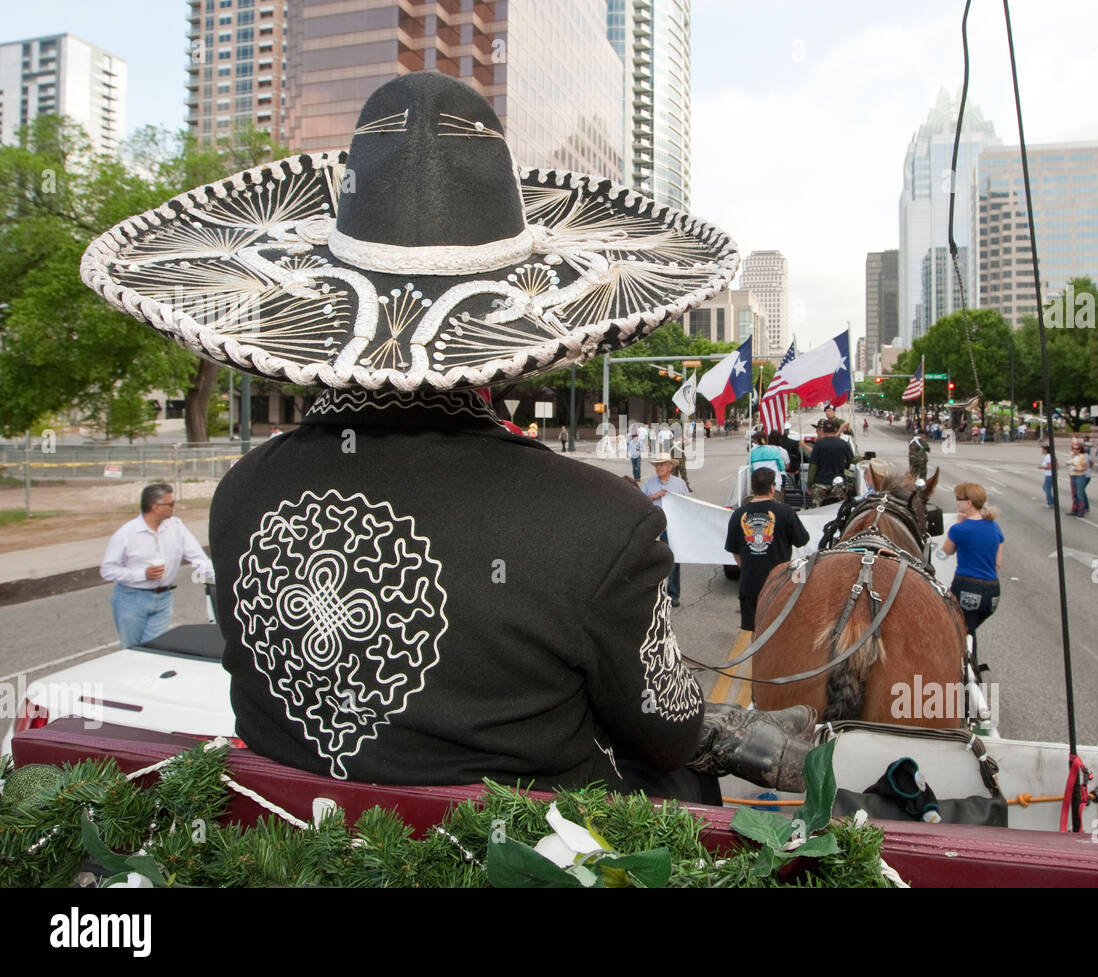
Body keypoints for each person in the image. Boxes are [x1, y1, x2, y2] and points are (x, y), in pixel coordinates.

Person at [83, 72, 744, 801]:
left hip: (286, 841)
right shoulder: (603, 523)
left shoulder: (242, 492)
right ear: (513, 335)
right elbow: (670, 728)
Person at [100, 483, 214, 650]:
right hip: (131, 599)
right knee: (131, 650)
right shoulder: (126, 534)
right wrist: (142, 574)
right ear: (156, 507)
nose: (175, 508)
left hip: (163, 599)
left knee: (157, 649)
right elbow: (107, 570)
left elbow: (198, 558)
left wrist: (227, 582)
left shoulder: (176, 527)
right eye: (171, 504)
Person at [725, 467, 810, 633]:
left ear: (752, 489)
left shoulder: (738, 515)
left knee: (752, 632)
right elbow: (802, 540)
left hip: (750, 583)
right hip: (780, 583)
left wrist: (748, 567)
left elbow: (734, 551)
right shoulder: (786, 512)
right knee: (780, 631)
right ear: (772, 488)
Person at [940, 482, 1003, 667]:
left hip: (967, 587)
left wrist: (959, 525)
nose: (956, 503)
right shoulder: (994, 527)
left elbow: (946, 550)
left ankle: (968, 671)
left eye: (959, 499)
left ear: (968, 503)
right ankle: (969, 667)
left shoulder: (959, 529)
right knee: (969, 628)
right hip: (992, 592)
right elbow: (998, 563)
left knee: (962, 629)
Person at [643, 456, 690, 607]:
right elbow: (640, 502)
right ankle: (653, 593)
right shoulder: (650, 484)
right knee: (652, 561)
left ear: (670, 467)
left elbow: (687, 504)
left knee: (673, 561)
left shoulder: (679, 484)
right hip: (654, 526)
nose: (659, 468)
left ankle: (673, 594)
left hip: (673, 526)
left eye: (662, 465)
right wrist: (654, 496)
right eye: (657, 465)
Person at [807, 418, 856, 504]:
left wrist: (809, 485)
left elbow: (813, 467)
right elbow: (852, 460)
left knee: (817, 511)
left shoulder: (818, 445)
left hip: (820, 484)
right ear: (835, 430)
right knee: (838, 510)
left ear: (823, 430)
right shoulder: (842, 443)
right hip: (838, 485)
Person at [1068, 441, 1090, 516]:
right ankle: (1074, 509)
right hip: (1072, 475)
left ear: (1080, 450)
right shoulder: (1072, 456)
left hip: (1079, 476)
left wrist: (1077, 469)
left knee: (1079, 494)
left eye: (1077, 449)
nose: (1075, 450)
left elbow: (1085, 467)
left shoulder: (1082, 456)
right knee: (1074, 494)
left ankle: (1081, 510)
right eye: (1073, 449)